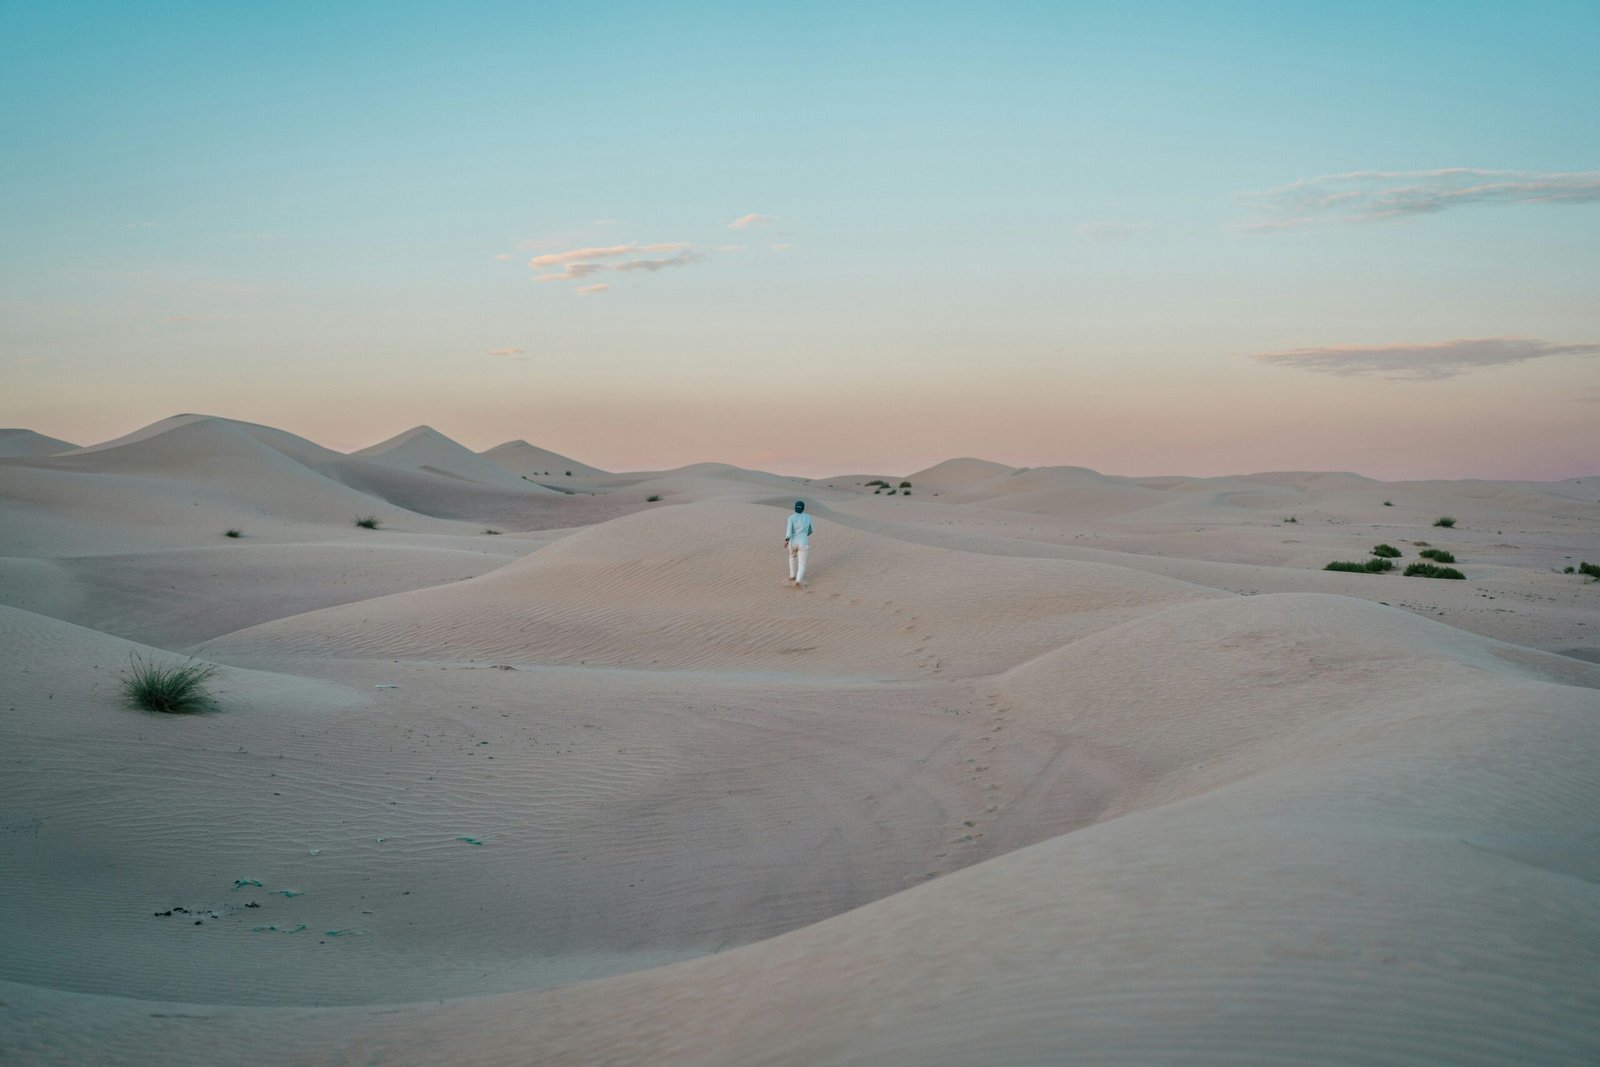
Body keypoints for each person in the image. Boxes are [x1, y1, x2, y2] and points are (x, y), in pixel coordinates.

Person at [785, 500, 813, 586]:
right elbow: (811, 530)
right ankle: (798, 580)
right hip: (803, 542)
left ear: (795, 508)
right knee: (802, 564)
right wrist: (804, 534)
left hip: (792, 542)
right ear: (803, 508)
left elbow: (789, 530)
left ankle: (792, 575)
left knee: (792, 557)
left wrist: (786, 540)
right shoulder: (808, 517)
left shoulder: (791, 517)